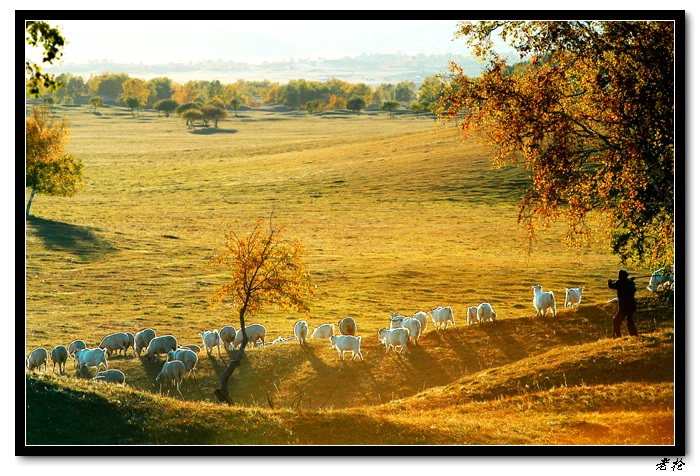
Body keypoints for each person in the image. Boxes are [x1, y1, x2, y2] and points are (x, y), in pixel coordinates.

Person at [608, 269, 639, 338]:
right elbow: (633, 288)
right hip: (632, 305)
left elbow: (611, 286)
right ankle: (633, 334)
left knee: (616, 321)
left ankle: (618, 336)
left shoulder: (619, 282)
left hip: (623, 306)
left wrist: (609, 282)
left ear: (621, 276)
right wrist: (630, 280)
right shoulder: (630, 282)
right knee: (629, 320)